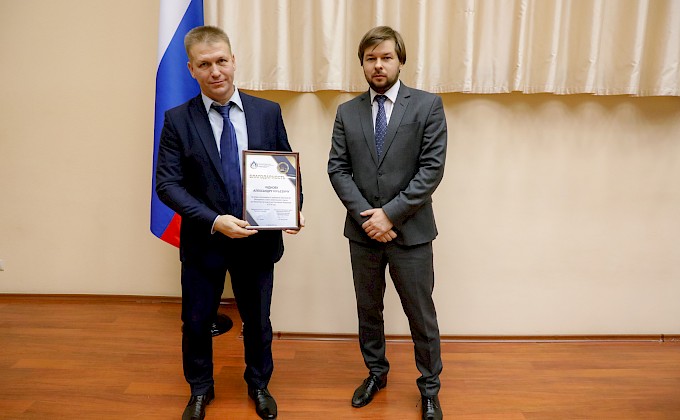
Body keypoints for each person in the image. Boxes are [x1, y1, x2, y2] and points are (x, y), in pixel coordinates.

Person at [156, 25, 303, 420]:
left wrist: (293, 208)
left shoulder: (266, 112)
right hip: (204, 240)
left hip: (257, 240)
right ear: (191, 69)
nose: (215, 71)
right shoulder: (177, 120)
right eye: (204, 64)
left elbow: (284, 167)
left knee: (257, 321)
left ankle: (259, 384)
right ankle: (200, 389)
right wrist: (215, 220)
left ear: (234, 61)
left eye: (221, 61)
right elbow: (167, 185)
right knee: (196, 321)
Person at [327, 26, 446, 420]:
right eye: (370, 58)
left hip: (411, 233)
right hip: (363, 233)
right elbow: (337, 169)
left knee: (420, 314)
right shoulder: (347, 112)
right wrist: (369, 218)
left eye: (386, 57)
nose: (378, 65)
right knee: (369, 310)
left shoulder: (427, 106)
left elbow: (431, 170)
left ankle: (429, 388)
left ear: (400, 61)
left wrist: (389, 214)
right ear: (362, 64)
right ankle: (376, 373)